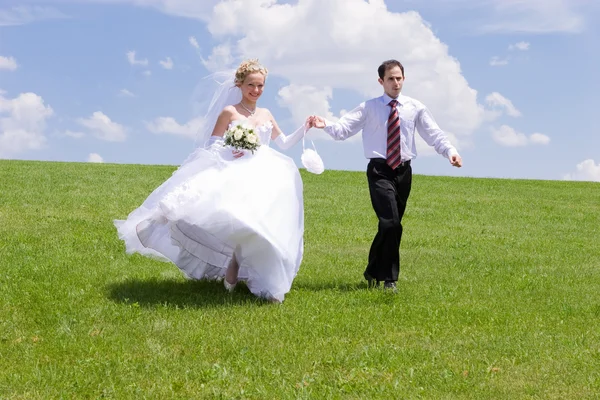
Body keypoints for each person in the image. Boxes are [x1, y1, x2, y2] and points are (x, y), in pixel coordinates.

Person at [114, 59, 311, 303]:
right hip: (235, 170)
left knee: (262, 228)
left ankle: (264, 283)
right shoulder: (229, 112)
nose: (256, 91)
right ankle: (236, 270)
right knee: (241, 222)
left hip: (265, 175)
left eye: (261, 86)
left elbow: (283, 143)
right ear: (239, 84)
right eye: (251, 85)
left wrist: (306, 127)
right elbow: (212, 144)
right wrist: (233, 147)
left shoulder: (266, 113)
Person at [308, 59, 462, 292]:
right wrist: (325, 123)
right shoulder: (369, 107)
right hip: (379, 170)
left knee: (391, 225)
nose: (395, 82)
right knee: (391, 223)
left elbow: (433, 134)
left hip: (403, 171)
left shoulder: (415, 107)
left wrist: (450, 152)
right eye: (390, 78)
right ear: (381, 81)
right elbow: (343, 130)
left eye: (399, 78)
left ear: (404, 79)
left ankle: (372, 271)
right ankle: (390, 280)